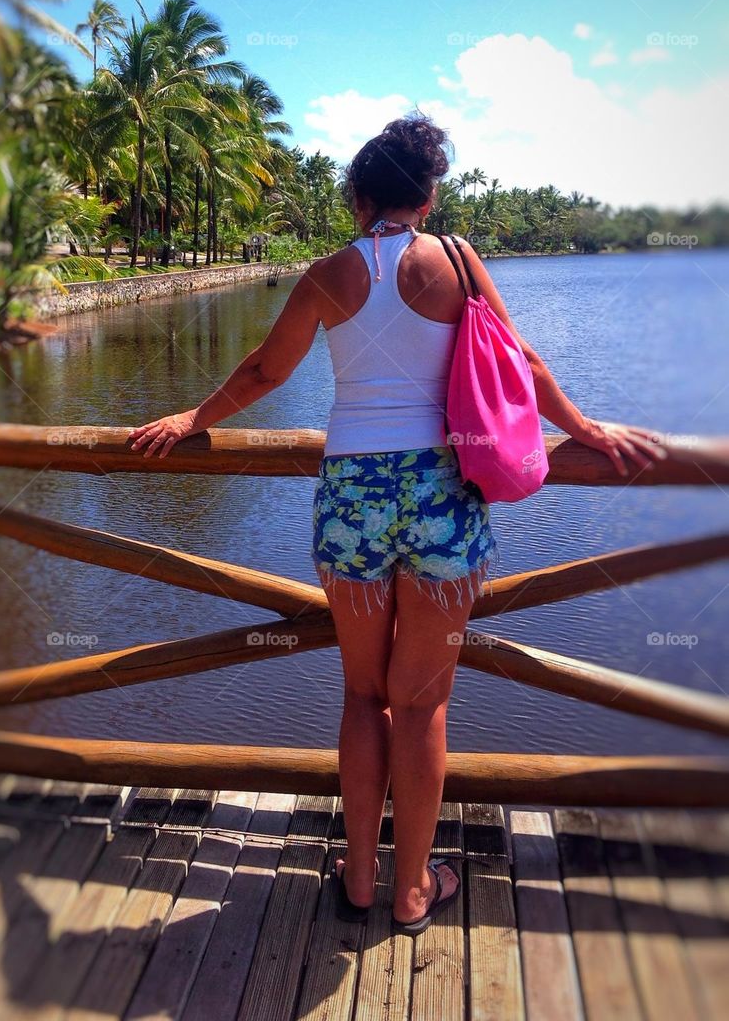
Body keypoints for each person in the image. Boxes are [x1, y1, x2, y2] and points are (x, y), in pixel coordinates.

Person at [128, 114, 665, 931]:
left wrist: (192, 413)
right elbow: (524, 364)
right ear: (428, 194)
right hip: (444, 491)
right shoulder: (455, 260)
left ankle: (358, 879)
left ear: (358, 196)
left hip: (352, 492)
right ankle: (413, 889)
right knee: (420, 705)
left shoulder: (325, 275)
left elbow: (268, 370)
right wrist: (587, 431)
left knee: (361, 695)